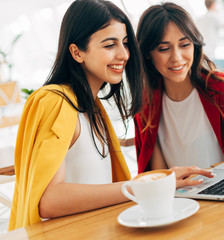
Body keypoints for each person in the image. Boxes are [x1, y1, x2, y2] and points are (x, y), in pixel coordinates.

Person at [9, 0, 212, 230]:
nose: (124, 54)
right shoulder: (55, 102)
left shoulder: (92, 108)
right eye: (109, 45)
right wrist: (143, 186)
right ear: (77, 52)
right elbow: (48, 200)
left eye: (125, 43)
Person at [134, 2, 224, 174]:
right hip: (186, 199)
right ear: (147, 53)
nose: (176, 58)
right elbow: (160, 179)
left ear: (195, 45)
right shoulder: (145, 108)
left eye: (184, 45)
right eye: (164, 49)